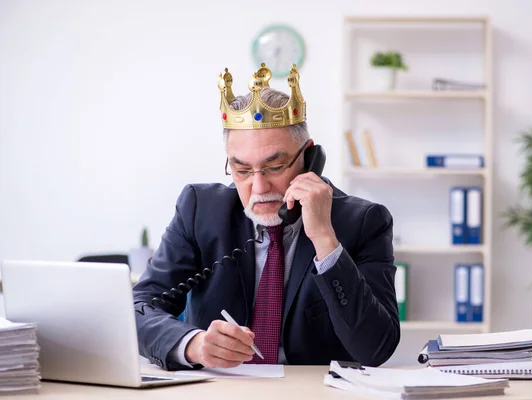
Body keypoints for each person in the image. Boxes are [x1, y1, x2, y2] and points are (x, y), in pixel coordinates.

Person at [132, 63, 400, 371]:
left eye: (275, 167)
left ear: (309, 158)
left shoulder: (365, 222)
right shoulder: (199, 209)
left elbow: (377, 348)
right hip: (220, 390)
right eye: (242, 170)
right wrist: (193, 345)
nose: (258, 187)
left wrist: (325, 241)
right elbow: (139, 307)